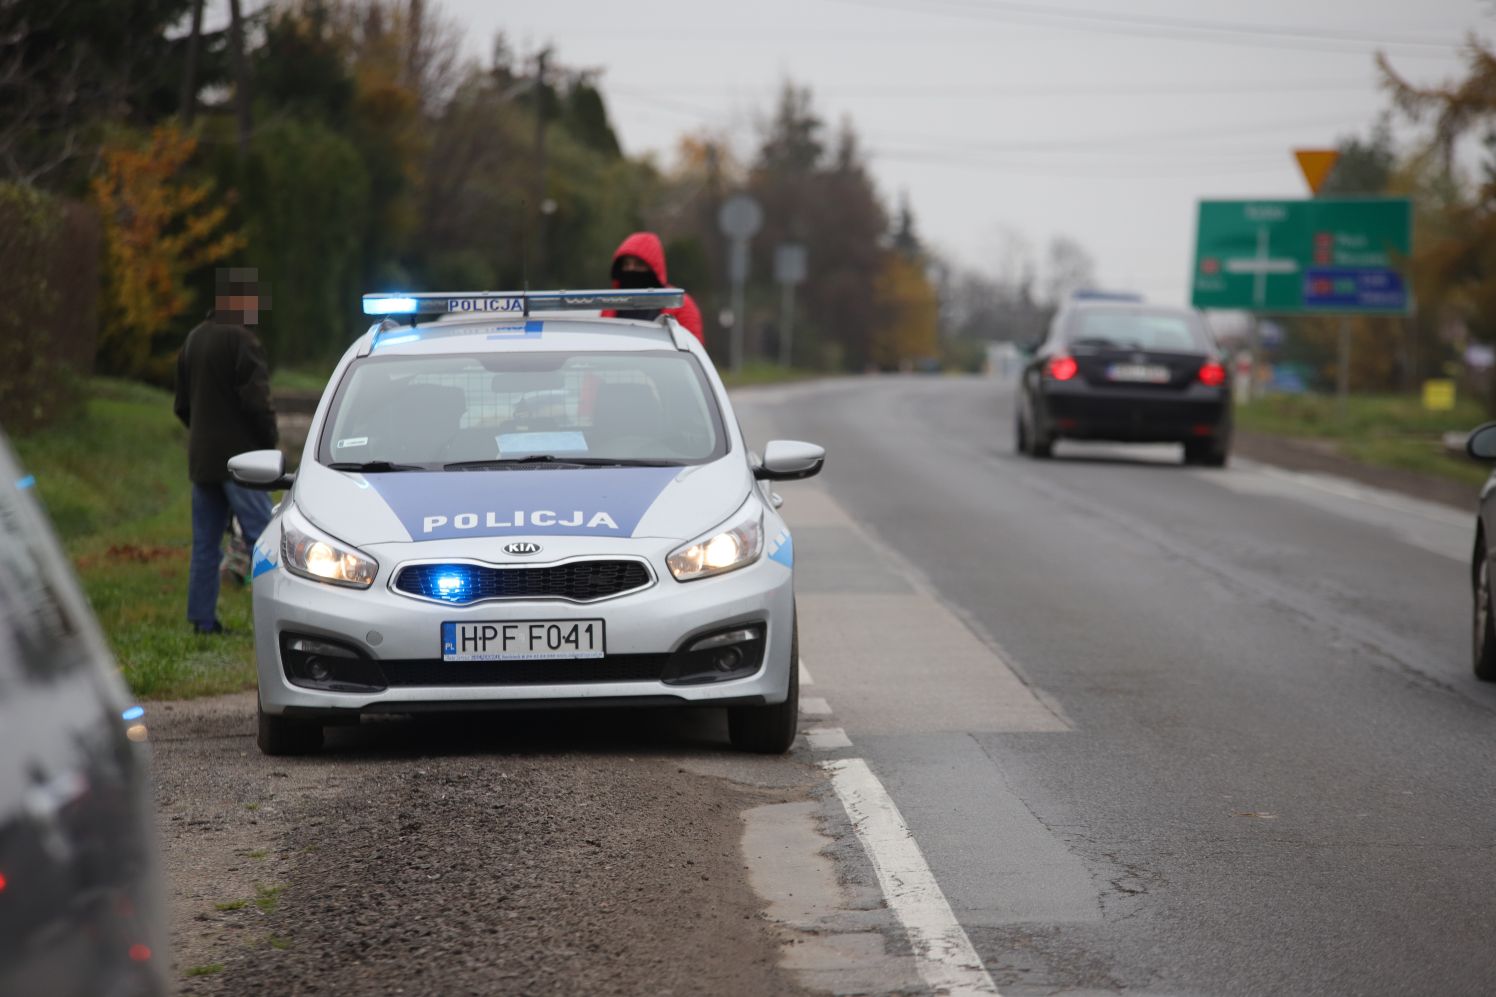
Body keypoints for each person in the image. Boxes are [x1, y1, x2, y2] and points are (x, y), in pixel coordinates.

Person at [173, 268, 278, 635]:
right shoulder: (243, 341)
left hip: (203, 462)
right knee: (266, 542)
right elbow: (257, 403)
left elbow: (181, 406)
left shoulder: (193, 340)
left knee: (205, 545)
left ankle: (202, 622)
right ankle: (279, 621)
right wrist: (269, 447)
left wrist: (203, 437)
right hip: (242, 463)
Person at [601, 231, 705, 343]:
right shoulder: (611, 305)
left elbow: (691, 349)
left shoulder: (679, 304)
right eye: (626, 264)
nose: (631, 269)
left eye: (639, 264)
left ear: (654, 269)